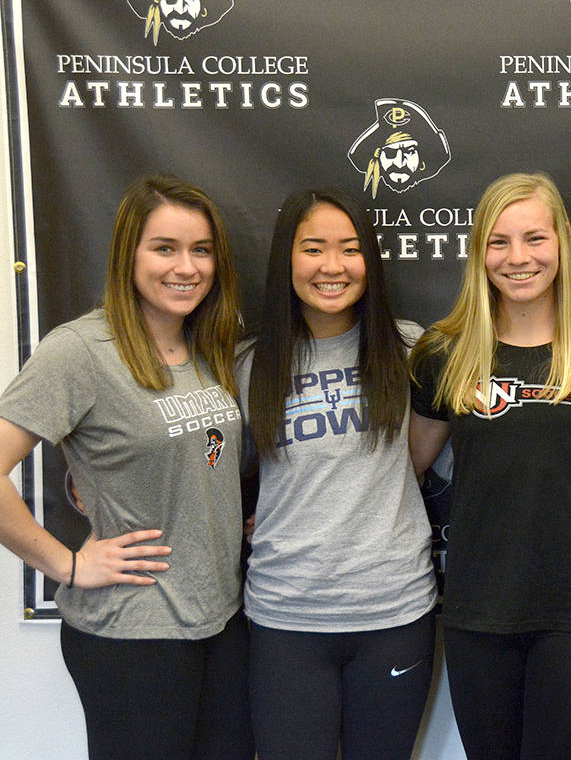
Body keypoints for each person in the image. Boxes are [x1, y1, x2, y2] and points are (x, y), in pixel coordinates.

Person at [0, 174, 251, 760]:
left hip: (222, 622)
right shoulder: (80, 351)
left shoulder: (208, 346)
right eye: (164, 248)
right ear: (127, 254)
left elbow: (200, 461)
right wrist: (64, 563)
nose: (186, 267)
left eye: (201, 250)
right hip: (132, 632)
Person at [408, 172, 571, 760]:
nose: (518, 258)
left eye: (535, 239)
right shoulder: (444, 351)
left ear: (563, 241)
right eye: (499, 241)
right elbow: (404, 469)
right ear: (478, 251)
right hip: (478, 605)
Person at [238, 188, 436, 760]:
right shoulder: (248, 362)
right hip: (285, 616)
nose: (333, 267)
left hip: (394, 611)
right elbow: (204, 461)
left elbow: (434, 455)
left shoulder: (410, 349)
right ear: (286, 261)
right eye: (313, 249)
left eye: (350, 249)